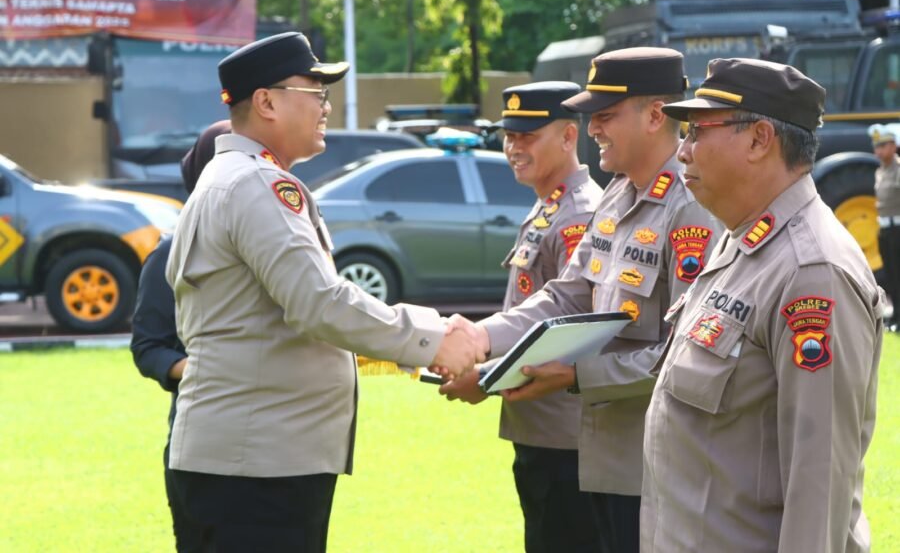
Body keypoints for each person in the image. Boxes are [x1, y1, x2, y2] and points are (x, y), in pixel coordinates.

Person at [163, 32, 482, 553]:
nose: (326, 106)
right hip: (259, 467)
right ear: (266, 101)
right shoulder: (256, 184)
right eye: (314, 92)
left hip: (248, 456)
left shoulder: (230, 178)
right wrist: (432, 336)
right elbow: (320, 302)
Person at [444, 47, 722, 553]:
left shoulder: (691, 209)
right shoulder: (618, 195)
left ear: (656, 114)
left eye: (605, 115)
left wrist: (576, 376)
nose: (593, 128)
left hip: (658, 468)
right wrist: (483, 335)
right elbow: (567, 296)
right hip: (605, 461)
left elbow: (686, 352)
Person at [642, 58, 883, 551]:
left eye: (696, 132)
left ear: (758, 140)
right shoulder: (740, 242)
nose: (682, 151)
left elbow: (819, 483)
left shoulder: (811, 272)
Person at [442, 81, 604, 552]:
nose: (513, 146)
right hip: (542, 427)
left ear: (568, 136)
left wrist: (487, 375)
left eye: (527, 135)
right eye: (508, 135)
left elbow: (575, 326)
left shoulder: (580, 214)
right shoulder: (550, 203)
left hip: (566, 437)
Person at [131, 120, 230, 552]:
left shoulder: (272, 241)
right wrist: (197, 367)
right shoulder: (173, 252)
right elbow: (148, 346)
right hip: (203, 443)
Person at [869, 123, 900, 329]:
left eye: (883, 146)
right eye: (876, 146)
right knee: (890, 273)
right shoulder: (880, 171)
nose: (878, 151)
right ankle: (896, 314)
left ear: (894, 146)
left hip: (898, 228)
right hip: (885, 229)